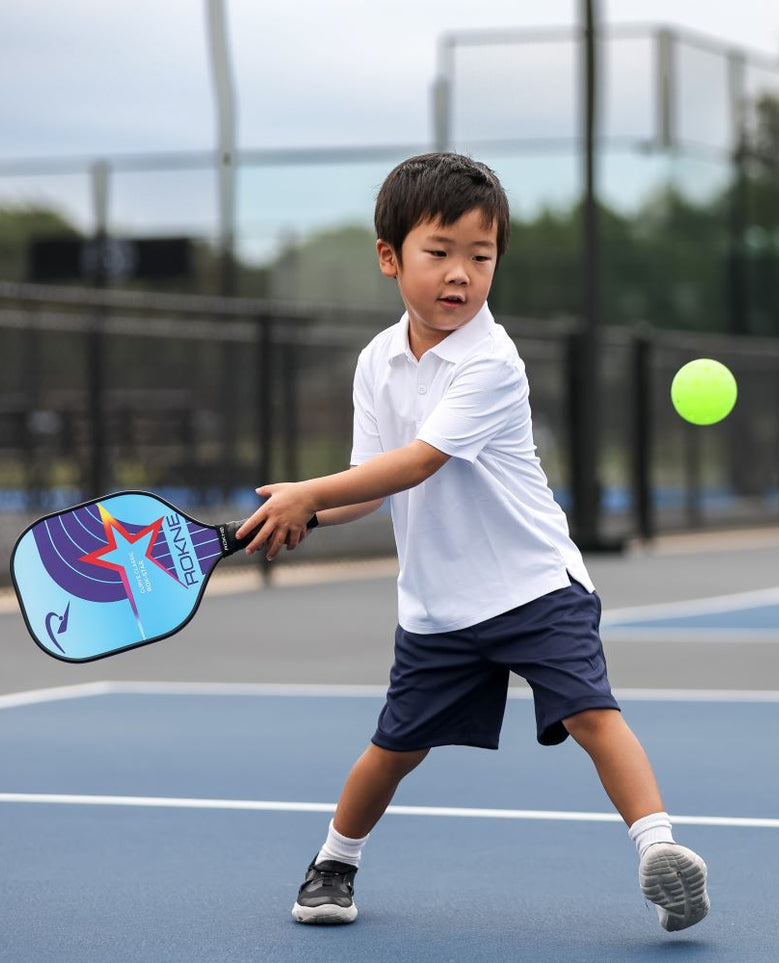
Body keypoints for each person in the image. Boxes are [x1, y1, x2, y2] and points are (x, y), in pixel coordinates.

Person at [236, 152, 709, 933]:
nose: (460, 274)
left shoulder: (492, 361)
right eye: (439, 253)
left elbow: (419, 460)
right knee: (392, 749)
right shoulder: (375, 362)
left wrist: (309, 491)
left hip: (534, 585)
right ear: (390, 258)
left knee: (592, 712)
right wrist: (306, 512)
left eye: (480, 257)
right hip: (437, 605)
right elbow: (374, 482)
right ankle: (334, 862)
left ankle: (660, 852)